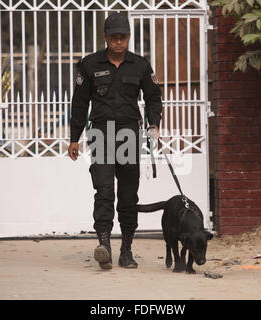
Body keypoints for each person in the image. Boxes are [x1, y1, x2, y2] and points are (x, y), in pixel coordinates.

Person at [68, 12, 162, 270]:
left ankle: (127, 250)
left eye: (123, 37)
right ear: (105, 38)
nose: (118, 42)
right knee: (104, 192)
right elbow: (80, 103)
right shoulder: (89, 65)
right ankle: (104, 246)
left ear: (129, 37)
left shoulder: (141, 66)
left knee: (128, 196)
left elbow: (154, 97)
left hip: (129, 135)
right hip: (100, 134)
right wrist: (74, 138)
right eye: (114, 38)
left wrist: (154, 124)